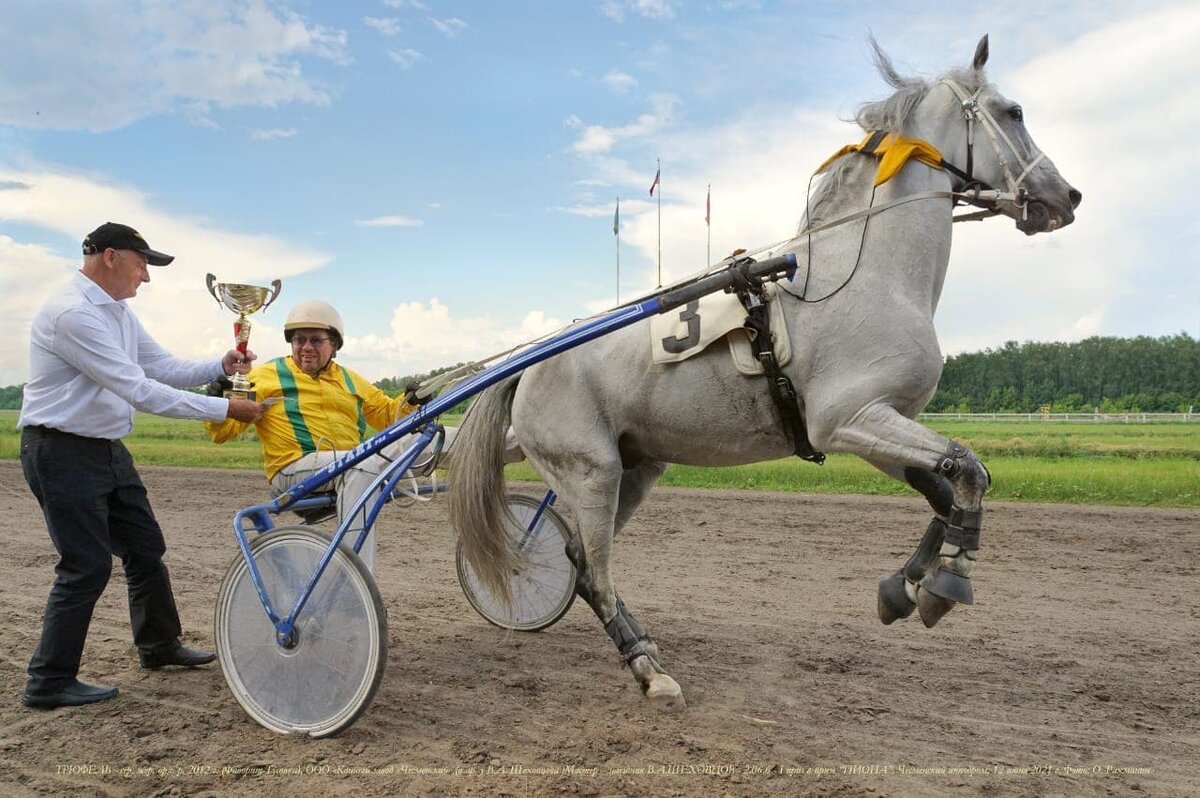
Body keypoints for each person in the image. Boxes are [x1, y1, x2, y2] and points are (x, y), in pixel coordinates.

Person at [18, 222, 266, 710]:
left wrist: (221, 365)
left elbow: (163, 366)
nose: (146, 278)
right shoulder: (73, 313)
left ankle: (158, 646)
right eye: (142, 264)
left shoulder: (118, 314)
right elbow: (138, 389)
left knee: (145, 548)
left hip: (105, 448)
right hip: (60, 450)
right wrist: (224, 408)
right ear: (110, 256)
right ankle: (48, 681)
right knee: (85, 565)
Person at [203, 300, 428, 573]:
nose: (306, 347)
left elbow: (386, 415)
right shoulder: (264, 377)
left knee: (429, 438)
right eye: (299, 340)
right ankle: (353, 576)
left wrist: (414, 401)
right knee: (363, 462)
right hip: (294, 470)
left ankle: (491, 461)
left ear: (334, 345)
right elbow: (224, 433)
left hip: (349, 468)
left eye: (315, 340)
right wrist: (216, 405)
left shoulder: (350, 379)